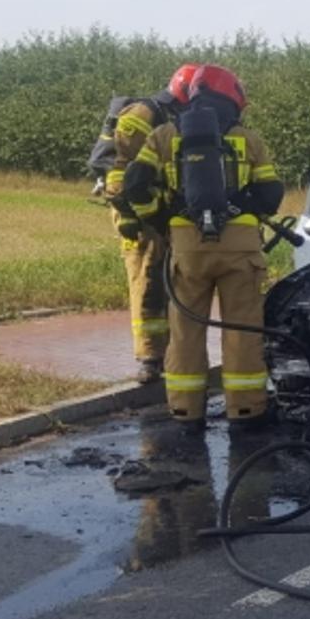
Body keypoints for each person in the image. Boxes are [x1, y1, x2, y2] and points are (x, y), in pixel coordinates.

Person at [123, 64, 284, 430]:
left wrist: (160, 218)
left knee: (184, 331)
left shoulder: (164, 135)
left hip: (187, 249)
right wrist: (245, 208)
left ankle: (185, 411)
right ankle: (246, 411)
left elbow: (135, 183)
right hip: (240, 249)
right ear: (233, 96)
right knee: (243, 330)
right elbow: (272, 194)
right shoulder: (249, 139)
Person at [102, 64, 197, 384]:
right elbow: (120, 170)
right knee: (146, 284)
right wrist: (129, 217)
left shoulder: (170, 117)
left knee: (166, 281)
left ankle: (165, 352)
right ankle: (148, 358)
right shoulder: (143, 115)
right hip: (138, 216)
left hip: (158, 213)